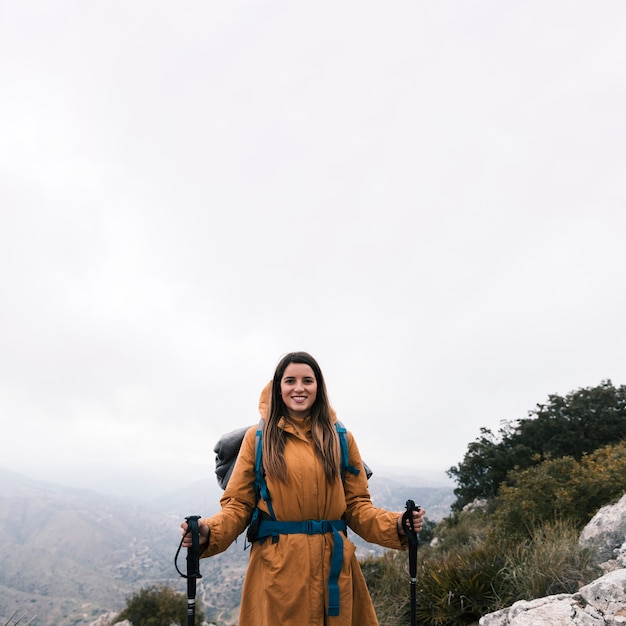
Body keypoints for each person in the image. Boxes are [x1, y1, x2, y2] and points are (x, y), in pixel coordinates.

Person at [181, 351, 425, 625]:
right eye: (290, 381)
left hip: (334, 569)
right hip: (277, 573)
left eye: (307, 380)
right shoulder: (258, 438)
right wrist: (209, 532)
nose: (299, 388)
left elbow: (357, 508)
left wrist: (397, 525)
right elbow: (238, 506)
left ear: (318, 387)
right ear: (278, 387)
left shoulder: (341, 438)